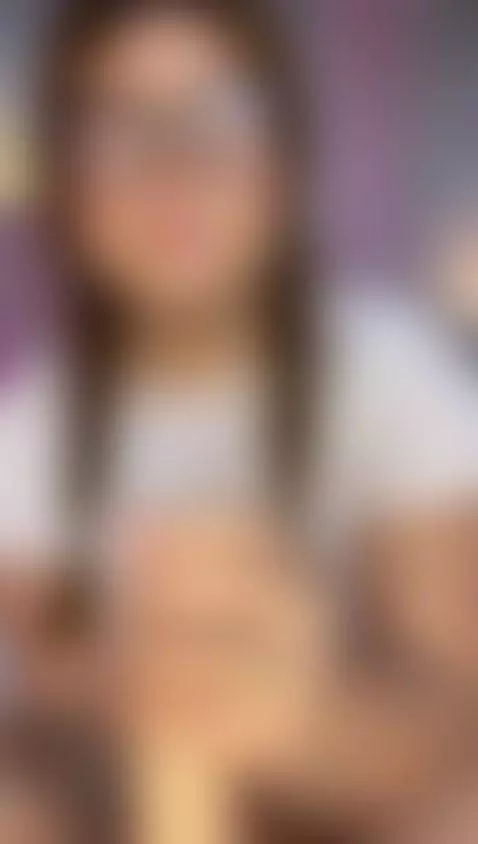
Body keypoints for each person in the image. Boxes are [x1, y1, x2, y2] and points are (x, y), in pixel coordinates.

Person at [0, 0, 477, 837]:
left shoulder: (392, 378)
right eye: (119, 129)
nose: (173, 167)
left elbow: (454, 712)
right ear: (68, 188)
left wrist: (308, 723)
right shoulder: (32, 437)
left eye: (221, 115)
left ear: (288, 165)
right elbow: (51, 718)